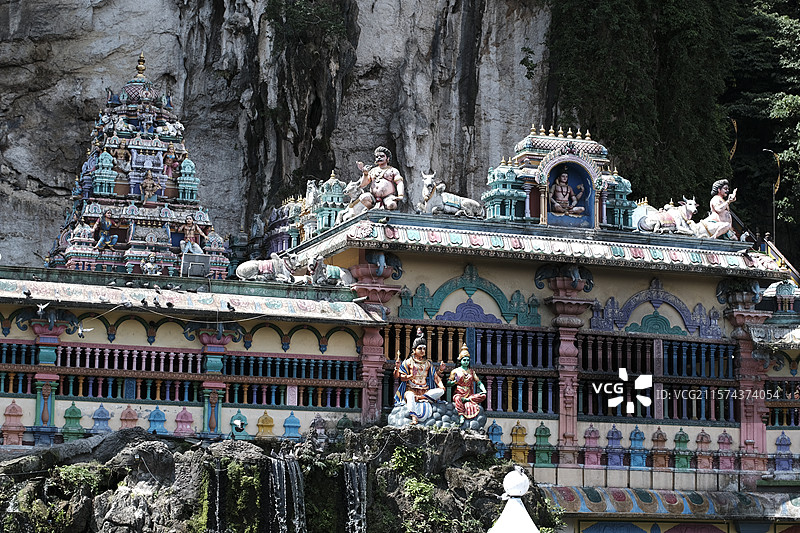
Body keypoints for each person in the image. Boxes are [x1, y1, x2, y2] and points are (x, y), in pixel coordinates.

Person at [393, 328, 445, 425]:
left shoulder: (428, 363)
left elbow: (435, 377)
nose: (422, 351)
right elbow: (401, 377)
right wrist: (410, 376)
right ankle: (414, 418)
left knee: (440, 391)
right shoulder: (408, 362)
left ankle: (421, 398)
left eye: (424, 349)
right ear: (414, 350)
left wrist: (442, 386)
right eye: (420, 348)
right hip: (411, 390)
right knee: (410, 396)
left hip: (425, 391)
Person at [447, 344, 487, 425]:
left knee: (483, 396)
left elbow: (478, 382)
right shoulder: (455, 371)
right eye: (464, 360)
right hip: (459, 393)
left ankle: (467, 400)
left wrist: (484, 390)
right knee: (457, 398)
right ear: (460, 361)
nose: (466, 362)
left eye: (467, 360)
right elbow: (448, 384)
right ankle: (461, 415)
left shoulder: (472, 372)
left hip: (469, 394)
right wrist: (455, 382)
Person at [356, 146, 405, 211]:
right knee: (362, 198)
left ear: (387, 158)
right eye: (377, 157)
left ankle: (385, 211)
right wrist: (365, 174)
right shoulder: (372, 170)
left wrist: (400, 195)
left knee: (392, 205)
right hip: (373, 197)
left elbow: (399, 183)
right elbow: (363, 185)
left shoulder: (393, 170)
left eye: (382, 156)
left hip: (388, 197)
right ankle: (372, 209)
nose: (379, 158)